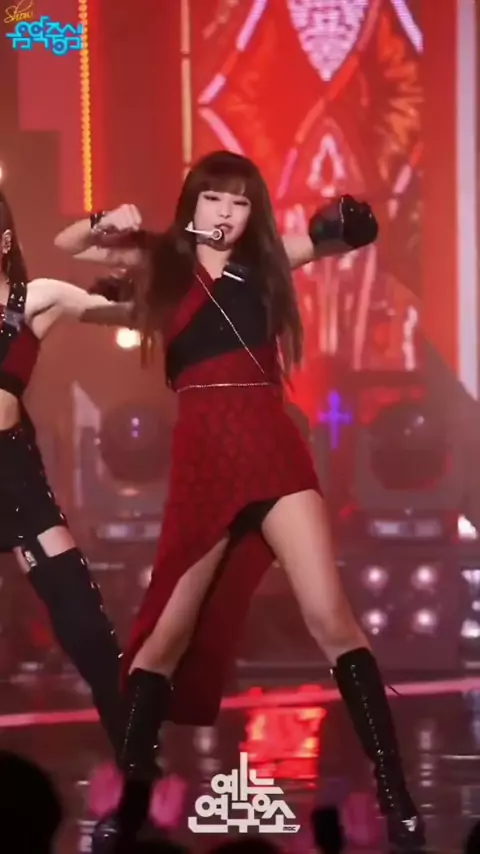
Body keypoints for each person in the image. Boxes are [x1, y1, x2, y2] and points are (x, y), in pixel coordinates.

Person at [55, 150, 425, 853]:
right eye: (215, 198)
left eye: (240, 201)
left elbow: (344, 235)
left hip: (270, 445)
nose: (226, 212)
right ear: (193, 203)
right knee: (166, 638)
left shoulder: (266, 262)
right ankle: (130, 802)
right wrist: (108, 219)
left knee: (331, 617)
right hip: (204, 457)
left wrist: (348, 219)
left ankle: (396, 792)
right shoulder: (162, 264)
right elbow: (70, 244)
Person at [0, 190, 136, 756]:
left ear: (4, 241)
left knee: (82, 620)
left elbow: (120, 313)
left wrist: (117, 247)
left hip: (13, 477)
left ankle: (135, 753)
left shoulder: (36, 299)